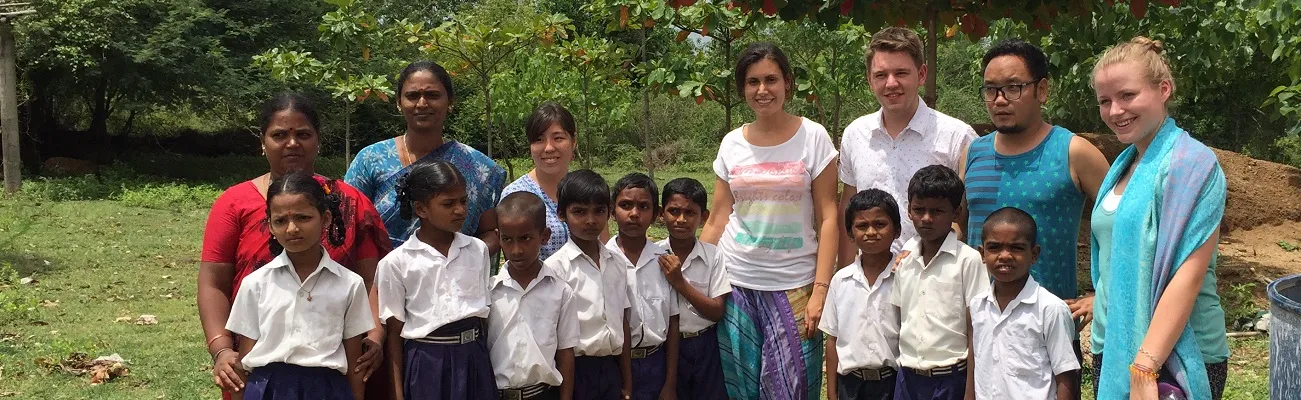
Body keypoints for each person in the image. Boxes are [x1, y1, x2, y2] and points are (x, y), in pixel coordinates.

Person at [199, 93, 389, 400]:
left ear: (318, 140)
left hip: (336, 365)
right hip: (257, 363)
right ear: (262, 143)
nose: (292, 143)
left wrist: (375, 336)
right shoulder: (233, 204)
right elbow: (213, 284)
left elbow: (372, 279)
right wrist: (221, 349)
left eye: (303, 134)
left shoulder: (350, 201)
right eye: (279, 135)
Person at [1090, 36, 1229, 400]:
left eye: (1127, 95)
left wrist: (1145, 366)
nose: (1115, 110)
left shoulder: (1191, 164)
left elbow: (1188, 275)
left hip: (1171, 356)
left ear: (1163, 89)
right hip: (1112, 344)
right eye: (1104, 101)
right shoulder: (1123, 166)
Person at [961, 41, 1110, 381]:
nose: (1000, 99)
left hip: (1048, 337)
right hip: (981, 333)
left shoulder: (1074, 152)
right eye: (991, 89)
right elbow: (959, 227)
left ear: (1042, 90)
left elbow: (1123, 227)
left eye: (1013, 87)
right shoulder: (973, 154)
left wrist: (1103, 293)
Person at [700, 42, 839, 400]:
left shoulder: (813, 137)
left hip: (795, 285)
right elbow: (718, 217)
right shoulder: (732, 143)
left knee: (791, 389)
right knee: (741, 389)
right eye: (753, 82)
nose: (762, 90)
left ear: (788, 83)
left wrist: (821, 290)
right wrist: (695, 273)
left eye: (771, 80)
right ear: (742, 89)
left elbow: (828, 217)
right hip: (736, 283)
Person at [221, 171, 374, 400]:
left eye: (303, 218)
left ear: (325, 219)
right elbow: (245, 358)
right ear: (270, 226)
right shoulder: (256, 283)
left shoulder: (350, 284)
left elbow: (355, 361)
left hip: (327, 391)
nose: (292, 228)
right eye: (280, 221)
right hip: (267, 390)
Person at [838, 27, 977, 266]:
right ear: (870, 80)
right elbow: (848, 210)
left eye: (901, 73)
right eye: (881, 75)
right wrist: (844, 275)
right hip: (871, 278)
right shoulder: (855, 135)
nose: (891, 83)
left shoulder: (957, 137)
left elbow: (964, 217)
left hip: (934, 276)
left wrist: (923, 259)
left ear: (921, 74)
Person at [345, 60, 506, 252]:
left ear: (450, 101)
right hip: (383, 269)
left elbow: (489, 232)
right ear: (399, 102)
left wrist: (460, 259)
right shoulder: (370, 160)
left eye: (432, 95)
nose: (422, 104)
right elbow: (348, 225)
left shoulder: (477, 166)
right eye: (412, 96)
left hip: (456, 268)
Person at [374, 161, 495, 400]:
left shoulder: (477, 250)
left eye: (463, 201)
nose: (460, 210)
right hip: (427, 364)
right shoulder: (396, 263)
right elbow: (394, 334)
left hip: (474, 359)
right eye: (448, 204)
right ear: (421, 209)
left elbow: (484, 319)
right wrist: (397, 394)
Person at [890, 165, 989, 400]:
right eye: (919, 209)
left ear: (956, 213)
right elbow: (900, 319)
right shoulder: (904, 260)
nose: (926, 218)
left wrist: (971, 390)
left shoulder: (968, 260)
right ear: (909, 211)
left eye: (937, 211)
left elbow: (976, 328)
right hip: (908, 378)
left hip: (951, 380)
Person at [969, 207, 1079, 400]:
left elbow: (1066, 377)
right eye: (994, 247)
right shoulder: (977, 306)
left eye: (1016, 248)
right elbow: (975, 365)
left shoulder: (1050, 309)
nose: (1005, 255)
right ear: (982, 253)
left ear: (1034, 254)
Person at [544, 170, 633, 400]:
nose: (591, 220)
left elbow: (622, 320)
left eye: (599, 211)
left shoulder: (617, 263)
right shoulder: (555, 268)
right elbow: (552, 334)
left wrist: (627, 381)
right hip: (575, 370)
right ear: (561, 214)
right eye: (580, 212)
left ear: (609, 213)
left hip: (611, 368)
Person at [490, 192, 580, 400]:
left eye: (525, 238)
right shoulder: (489, 291)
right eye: (507, 239)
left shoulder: (561, 292)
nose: (516, 250)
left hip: (542, 394)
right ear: (498, 237)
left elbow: (566, 353)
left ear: (544, 236)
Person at [820, 189, 902, 400]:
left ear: (897, 230)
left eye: (880, 224)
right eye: (862, 226)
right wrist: (832, 392)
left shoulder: (904, 276)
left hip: (894, 383)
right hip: (851, 385)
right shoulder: (841, 280)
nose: (871, 232)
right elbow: (832, 339)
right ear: (850, 233)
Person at [655, 178, 730, 400]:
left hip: (705, 345)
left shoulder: (713, 256)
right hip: (665, 347)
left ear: (703, 217)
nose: (681, 219)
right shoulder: (653, 255)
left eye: (689, 212)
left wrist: (679, 283)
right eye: (674, 211)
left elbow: (717, 311)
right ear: (661, 214)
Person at [607, 173, 680, 400]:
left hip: (655, 363)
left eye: (643, 206)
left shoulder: (664, 260)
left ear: (656, 214)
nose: (634, 213)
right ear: (612, 211)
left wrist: (670, 383)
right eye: (625, 205)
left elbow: (673, 321)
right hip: (613, 365)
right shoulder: (603, 260)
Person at [501, 102, 581, 260]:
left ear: (573, 141)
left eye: (558, 138)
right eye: (539, 139)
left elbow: (603, 248)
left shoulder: (585, 188)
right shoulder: (515, 195)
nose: (549, 148)